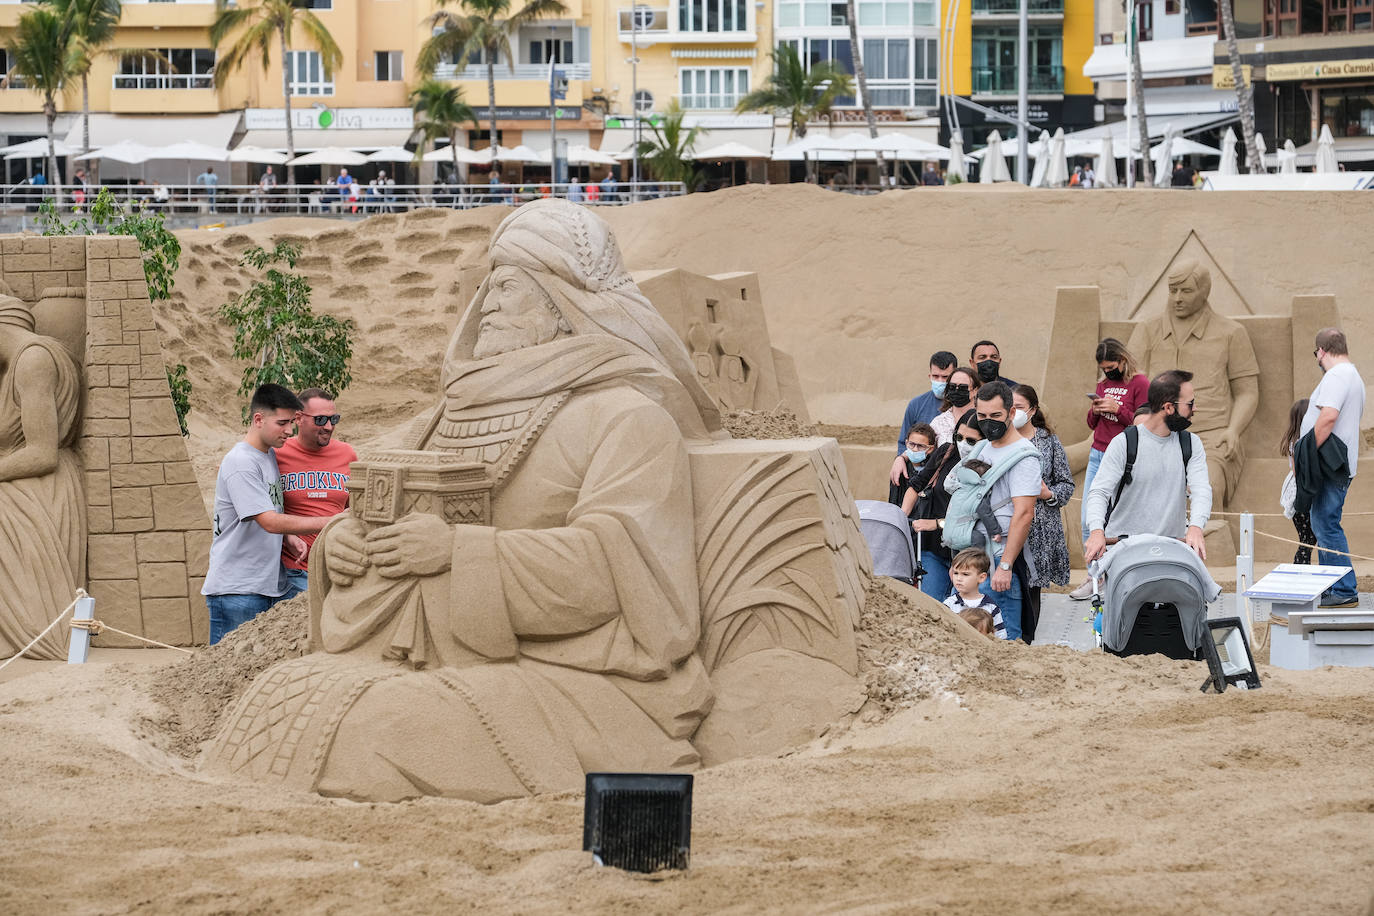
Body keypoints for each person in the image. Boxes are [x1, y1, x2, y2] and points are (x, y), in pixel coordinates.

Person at [201, 384, 331, 644]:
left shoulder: (267, 455)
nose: (289, 431)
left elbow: (259, 514)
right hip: (237, 591)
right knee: (229, 677)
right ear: (258, 419)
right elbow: (269, 521)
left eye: (292, 422)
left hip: (263, 586)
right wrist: (333, 522)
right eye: (282, 423)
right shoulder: (241, 462)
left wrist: (287, 539)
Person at [1128, 260, 1258, 514]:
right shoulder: (1147, 330)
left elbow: (1247, 392)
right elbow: (1129, 385)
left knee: (1204, 489)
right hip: (1155, 432)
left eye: (1186, 291)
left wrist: (1233, 430)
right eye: (1173, 290)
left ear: (1204, 291)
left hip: (1211, 436)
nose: (1177, 298)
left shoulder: (1231, 333)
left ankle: (1204, 551)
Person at [0, 295, 84, 661]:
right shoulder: (14, 365)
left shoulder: (33, 361)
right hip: (20, 480)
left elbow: (41, 453)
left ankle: (24, 633)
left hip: (37, 488)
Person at [1082, 370, 1212, 566]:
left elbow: (1201, 489)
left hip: (1171, 552)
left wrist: (1195, 527)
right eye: (1190, 404)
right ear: (1168, 407)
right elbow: (1099, 491)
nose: (1195, 409)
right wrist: (1097, 531)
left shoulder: (1191, 444)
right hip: (1123, 553)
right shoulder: (1124, 442)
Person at [944, 382, 1040, 640]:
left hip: (997, 563)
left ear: (1011, 414)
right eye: (982, 416)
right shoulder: (982, 447)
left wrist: (1006, 566)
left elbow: (1024, 513)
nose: (988, 422)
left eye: (996, 416)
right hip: (968, 560)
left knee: (1005, 642)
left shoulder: (1025, 457)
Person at [1070, 338, 1150, 599]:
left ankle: (1120, 573)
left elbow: (1142, 423)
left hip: (1124, 456)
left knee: (1119, 518)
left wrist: (1119, 408)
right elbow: (1093, 424)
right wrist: (1096, 408)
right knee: (1088, 519)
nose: (1108, 372)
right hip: (1098, 453)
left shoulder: (1139, 383)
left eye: (1111, 366)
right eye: (1104, 368)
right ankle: (1095, 576)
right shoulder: (1103, 385)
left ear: (1123, 360)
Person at [1297, 328, 1365, 607]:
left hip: (1329, 466)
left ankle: (1344, 590)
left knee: (1326, 524)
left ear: (1321, 351)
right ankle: (1333, 586)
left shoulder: (1337, 375)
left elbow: (1327, 418)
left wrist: (1306, 454)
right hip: (1334, 465)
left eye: (1316, 354)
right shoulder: (1351, 375)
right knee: (1323, 523)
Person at [274, 387, 358, 596]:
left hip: (338, 568)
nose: (329, 427)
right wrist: (287, 535)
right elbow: (260, 506)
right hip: (295, 570)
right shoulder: (277, 454)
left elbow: (354, 509)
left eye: (334, 419)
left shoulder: (347, 454)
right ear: (299, 418)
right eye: (320, 420)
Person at [1013, 384, 1073, 640]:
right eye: (1009, 407)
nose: (1013, 413)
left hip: (1040, 526)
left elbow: (1066, 484)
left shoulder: (1048, 441)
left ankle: (1029, 639)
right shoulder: (998, 441)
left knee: (1032, 586)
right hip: (1008, 522)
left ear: (1032, 410)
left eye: (1019, 407)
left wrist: (1048, 495)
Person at [901, 409, 981, 601]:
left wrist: (936, 523)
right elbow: (916, 485)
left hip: (968, 553)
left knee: (962, 611)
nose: (963, 444)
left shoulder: (988, 465)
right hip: (934, 549)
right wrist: (902, 517)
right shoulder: (946, 451)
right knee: (930, 604)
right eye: (958, 437)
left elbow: (976, 515)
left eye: (971, 441)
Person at [890, 350, 958, 485]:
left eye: (945, 377)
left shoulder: (961, 405)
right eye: (936, 376)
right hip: (919, 476)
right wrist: (899, 459)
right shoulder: (916, 404)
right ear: (929, 376)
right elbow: (904, 442)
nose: (940, 381)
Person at [1278, 398, 1316, 565]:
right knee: (1307, 540)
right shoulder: (1301, 442)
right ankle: (1299, 571)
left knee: (1306, 539)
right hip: (1300, 491)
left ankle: (1301, 571)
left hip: (1295, 490)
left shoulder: (1293, 440)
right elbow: (1297, 470)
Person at [944, 548, 1007, 639]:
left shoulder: (991, 607)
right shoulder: (949, 604)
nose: (959, 578)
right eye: (956, 573)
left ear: (981, 577)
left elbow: (1001, 637)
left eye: (965, 574)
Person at [929, 366, 980, 446]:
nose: (956, 391)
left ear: (975, 390)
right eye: (952, 387)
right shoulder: (938, 423)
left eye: (962, 388)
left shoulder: (984, 418)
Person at [889, 423, 936, 507]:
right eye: (912, 444)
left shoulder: (933, 470)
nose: (915, 449)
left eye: (921, 446)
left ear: (930, 449)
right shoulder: (899, 468)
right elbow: (894, 500)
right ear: (906, 443)